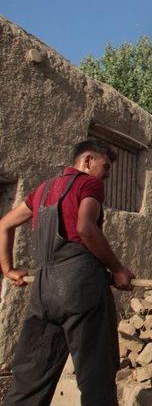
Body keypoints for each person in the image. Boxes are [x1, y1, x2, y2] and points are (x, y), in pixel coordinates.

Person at [0, 139, 136, 405]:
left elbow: (4, 225)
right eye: (105, 167)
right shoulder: (89, 184)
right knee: (96, 376)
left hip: (44, 292)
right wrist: (118, 269)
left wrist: (8, 269)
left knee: (30, 379)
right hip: (81, 288)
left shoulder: (42, 190)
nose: (106, 176)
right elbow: (85, 228)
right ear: (87, 161)